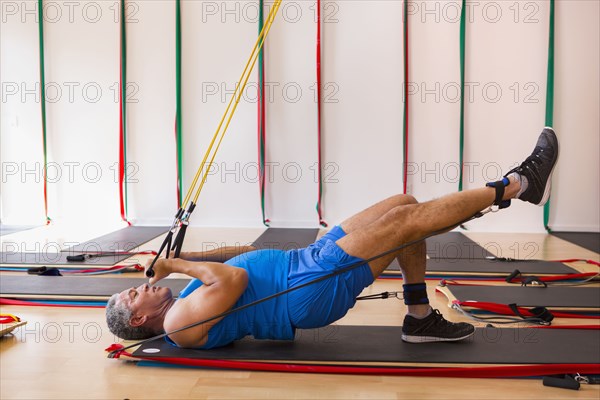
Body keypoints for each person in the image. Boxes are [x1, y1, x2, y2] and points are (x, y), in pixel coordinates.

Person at [106, 128, 558, 348]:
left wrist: (185, 254)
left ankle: (419, 316)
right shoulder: (176, 325)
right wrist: (176, 266)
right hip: (307, 288)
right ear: (141, 321)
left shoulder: (181, 300)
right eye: (134, 296)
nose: (142, 286)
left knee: (402, 203)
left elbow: (240, 260)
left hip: (305, 261)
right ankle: (517, 184)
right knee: (404, 225)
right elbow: (232, 282)